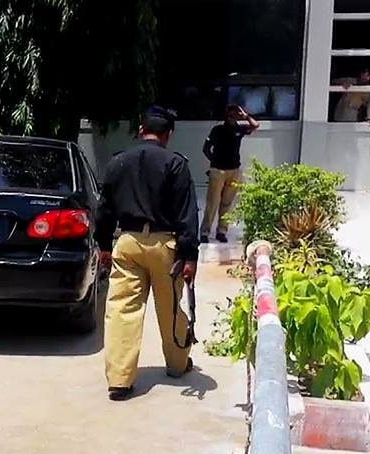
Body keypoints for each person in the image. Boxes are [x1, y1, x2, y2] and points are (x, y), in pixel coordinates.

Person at [96, 106, 200, 401]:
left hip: (127, 242)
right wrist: (190, 255)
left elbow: (104, 210)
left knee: (121, 309)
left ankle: (119, 380)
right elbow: (187, 214)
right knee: (170, 308)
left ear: (141, 131)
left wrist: (103, 245)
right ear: (168, 135)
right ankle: (178, 365)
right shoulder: (176, 165)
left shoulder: (118, 163)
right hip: (166, 247)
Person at [199, 104, 259, 244]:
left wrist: (247, 116)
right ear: (227, 114)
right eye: (234, 112)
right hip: (218, 171)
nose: (236, 114)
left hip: (234, 171)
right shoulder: (218, 129)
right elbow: (206, 148)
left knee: (227, 203)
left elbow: (255, 125)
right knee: (212, 203)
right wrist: (214, 162)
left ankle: (222, 231)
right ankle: (205, 232)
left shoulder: (239, 129)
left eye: (238, 112)